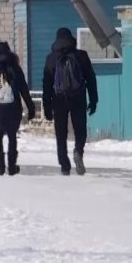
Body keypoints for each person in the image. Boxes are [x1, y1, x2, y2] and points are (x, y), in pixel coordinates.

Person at [41, 27, 98, 176]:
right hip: (78, 97)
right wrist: (93, 100)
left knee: (61, 133)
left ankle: (64, 165)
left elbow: (46, 84)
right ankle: (78, 151)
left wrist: (46, 106)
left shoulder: (51, 58)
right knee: (80, 130)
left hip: (58, 99)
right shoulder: (81, 55)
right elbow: (91, 78)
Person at [0, 41, 36, 176]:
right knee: (12, 137)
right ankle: (12, 166)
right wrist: (31, 108)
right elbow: (24, 90)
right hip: (12, 108)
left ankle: (0, 166)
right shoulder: (15, 68)